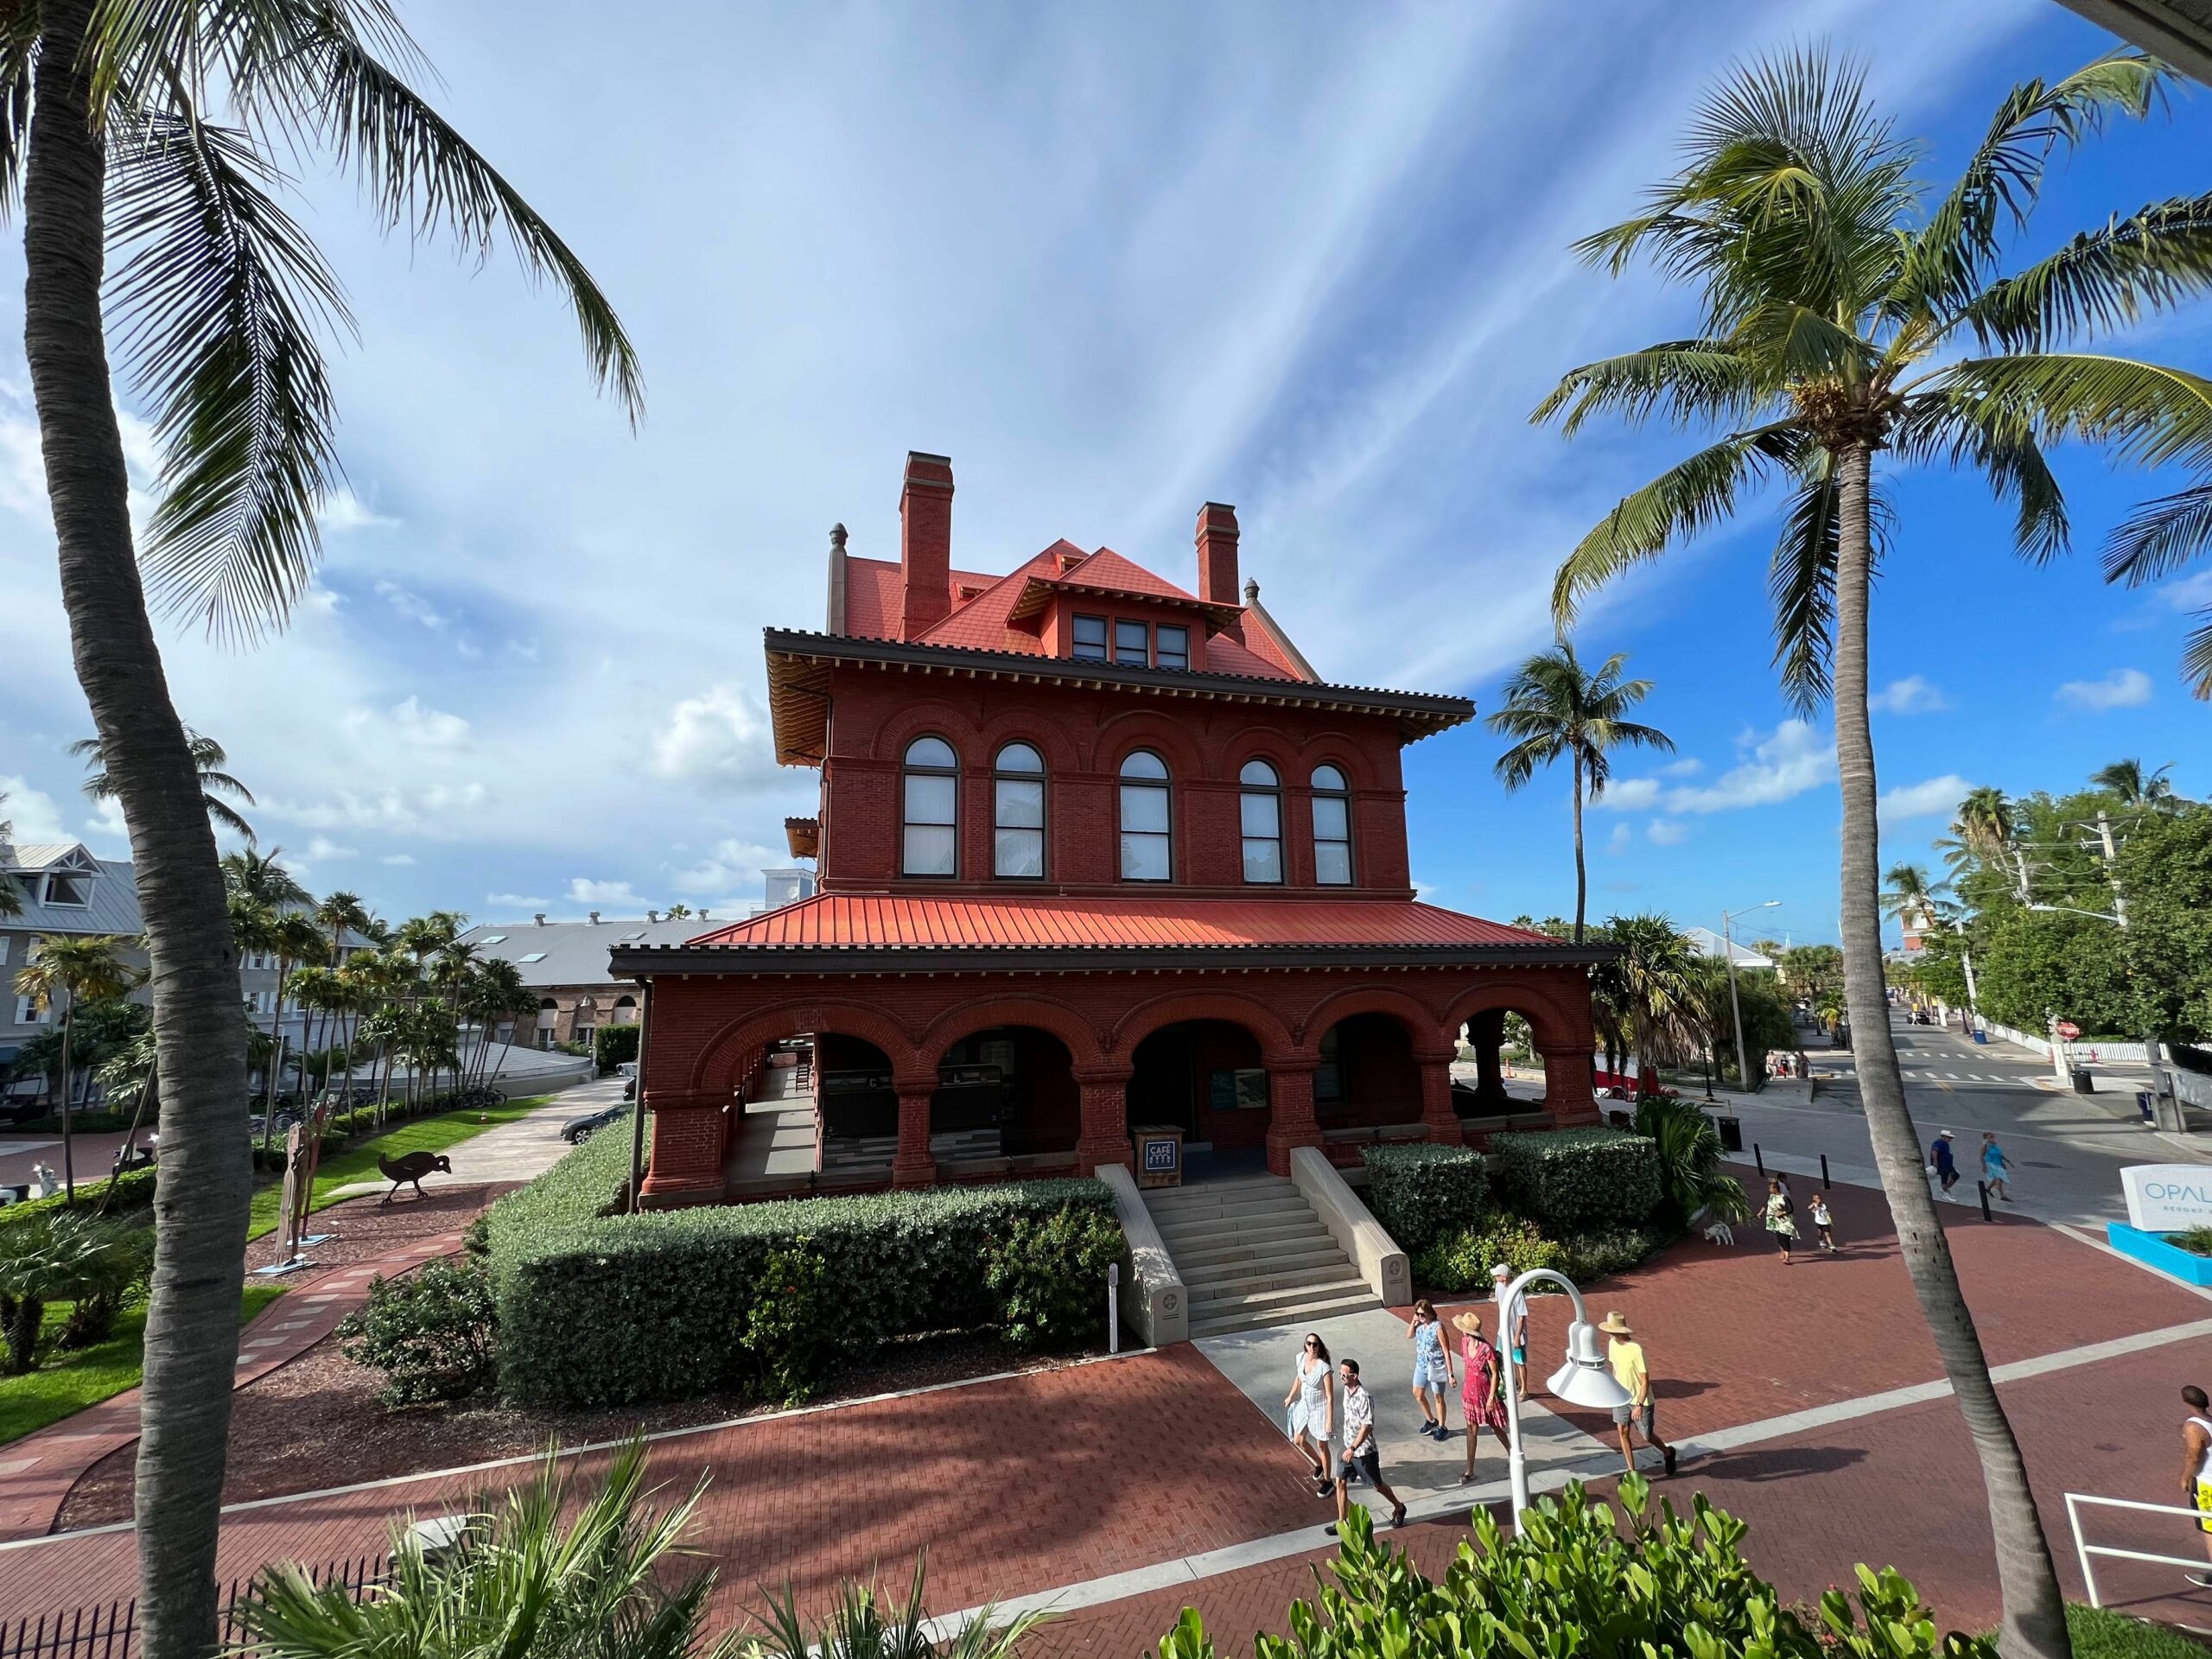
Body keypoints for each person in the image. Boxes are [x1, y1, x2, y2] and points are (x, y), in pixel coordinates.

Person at [1329, 1357, 1407, 1535]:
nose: (1341, 1376)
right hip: (1347, 1445)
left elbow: (1367, 1426)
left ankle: (1399, 1507)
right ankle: (1342, 1522)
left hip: (1363, 1451)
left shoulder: (1365, 1397)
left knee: (1376, 1485)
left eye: (1344, 1373)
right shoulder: (1346, 1391)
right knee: (1340, 1481)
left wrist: (1353, 1448)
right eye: (1340, 1372)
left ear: (1354, 1376)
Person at [1600, 1312, 1678, 1478]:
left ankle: (1668, 1453)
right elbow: (1615, 1368)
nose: (1609, 1333)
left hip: (1641, 1400)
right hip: (1621, 1396)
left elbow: (1645, 1380)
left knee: (1646, 1435)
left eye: (1611, 1330)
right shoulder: (1612, 1344)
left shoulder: (1636, 1350)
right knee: (1622, 1431)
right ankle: (1632, 1472)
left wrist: (1639, 1405)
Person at [1452, 1310, 1512, 1484]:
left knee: (1496, 1427)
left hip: (1485, 1394)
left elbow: (1494, 1374)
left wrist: (1492, 1397)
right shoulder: (1464, 1342)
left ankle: (1512, 1453)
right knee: (1471, 1430)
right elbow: (1466, 1366)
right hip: (1470, 1393)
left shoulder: (1487, 1349)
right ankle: (1470, 1470)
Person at [1283, 1332, 1336, 1496]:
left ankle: (1328, 1482)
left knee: (1322, 1445)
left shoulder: (1324, 1368)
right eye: (1309, 1344)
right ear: (1305, 1345)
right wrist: (1291, 1395)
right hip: (1305, 1405)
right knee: (1299, 1440)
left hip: (1319, 1408)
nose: (1312, 1347)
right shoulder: (1301, 1358)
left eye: (1315, 1344)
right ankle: (1319, 1464)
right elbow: (1299, 1379)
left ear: (1320, 1347)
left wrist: (1329, 1419)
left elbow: (1329, 1396)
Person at [1404, 1299, 1454, 1440]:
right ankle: (1431, 1420)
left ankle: (1442, 1426)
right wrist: (1413, 1322)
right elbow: (1409, 1335)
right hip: (1421, 1364)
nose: (1420, 1317)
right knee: (1417, 1393)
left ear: (1429, 1313)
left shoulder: (1438, 1327)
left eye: (1422, 1314)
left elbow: (1446, 1350)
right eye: (1417, 1314)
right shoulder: (1419, 1325)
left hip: (1436, 1365)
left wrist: (1450, 1374)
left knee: (1438, 1396)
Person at [2182, 1386, 2212, 1587]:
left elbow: (2194, 1455)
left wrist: (2185, 1477)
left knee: (2209, 1528)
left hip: (2207, 1483)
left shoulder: (2193, 1427)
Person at [1491, 1262, 1531, 1402]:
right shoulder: (1498, 1287)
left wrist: (1517, 1337)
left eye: (1497, 1275)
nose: (1495, 1277)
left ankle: (1525, 1390)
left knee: (1519, 1361)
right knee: (1499, 1357)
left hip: (1515, 1332)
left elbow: (1522, 1317)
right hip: (1503, 1331)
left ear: (1504, 1277)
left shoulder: (1517, 1291)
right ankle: (1514, 1383)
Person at [1763, 1176, 1798, 1264]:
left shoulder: (1784, 1198)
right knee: (1779, 1238)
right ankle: (1782, 1251)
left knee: (1785, 1238)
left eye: (1770, 1188)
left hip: (1785, 1221)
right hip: (1776, 1222)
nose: (1769, 1190)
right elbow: (1766, 1205)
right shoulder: (1771, 1197)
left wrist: (1782, 1213)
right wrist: (1760, 1213)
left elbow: (1791, 1209)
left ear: (1775, 1189)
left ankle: (1787, 1258)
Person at [1980, 1133, 2012, 1203]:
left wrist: (2004, 1162)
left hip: (1997, 1164)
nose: (1993, 1138)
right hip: (1991, 1164)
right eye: (1991, 1137)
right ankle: (2002, 1195)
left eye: (1993, 1137)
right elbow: (1981, 1156)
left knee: (1999, 1179)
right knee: (1999, 1178)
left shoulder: (1994, 1145)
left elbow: (1999, 1154)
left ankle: (1988, 1189)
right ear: (1986, 1138)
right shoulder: (1985, 1146)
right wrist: (1984, 1166)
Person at [1929, 1129, 1960, 1198]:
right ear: (1944, 1137)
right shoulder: (1938, 1143)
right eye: (1949, 1138)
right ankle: (1945, 1193)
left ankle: (1945, 1190)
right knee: (1945, 1179)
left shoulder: (1945, 1144)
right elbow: (1934, 1151)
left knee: (1956, 1175)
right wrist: (1935, 1162)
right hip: (1942, 1165)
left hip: (1948, 1165)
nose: (1950, 1139)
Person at [1808, 1189, 1838, 1254]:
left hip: (1825, 1222)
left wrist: (1828, 1214)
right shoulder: (1815, 1205)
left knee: (1827, 1234)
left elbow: (1827, 1211)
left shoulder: (1824, 1205)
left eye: (1819, 1198)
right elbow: (1810, 1208)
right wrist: (1814, 1206)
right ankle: (1821, 1241)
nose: (1819, 1199)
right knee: (1820, 1232)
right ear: (1814, 1199)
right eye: (1817, 1198)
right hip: (1818, 1222)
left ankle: (1831, 1246)